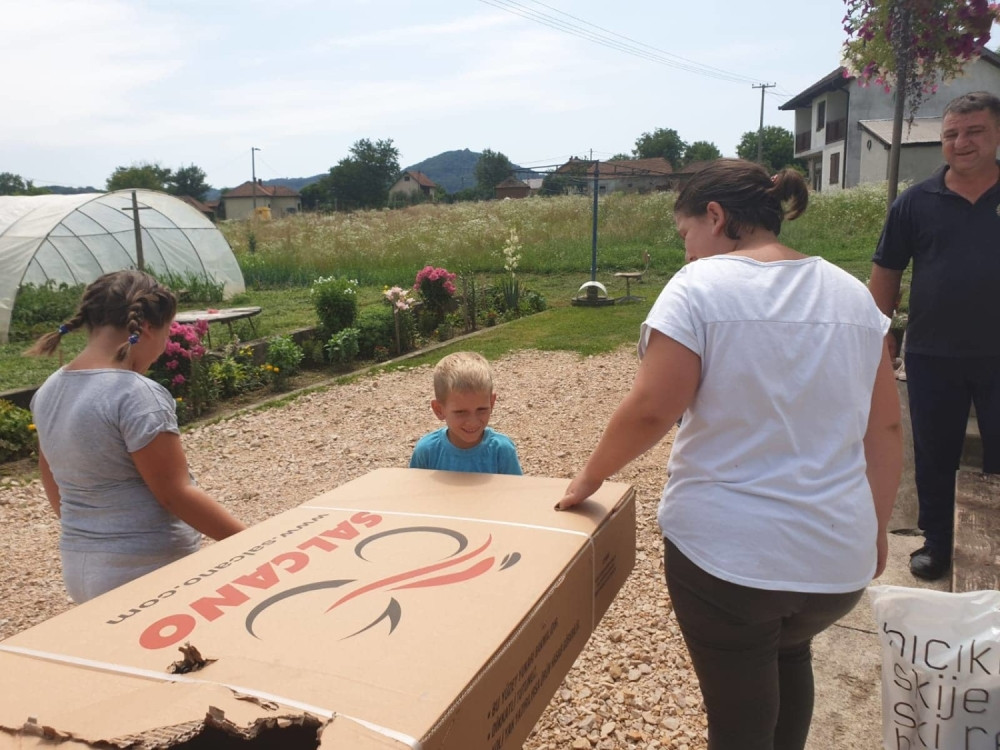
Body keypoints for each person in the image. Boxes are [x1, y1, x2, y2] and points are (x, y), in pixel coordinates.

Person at [556, 159, 902, 750]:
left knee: (738, 721)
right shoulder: (853, 296)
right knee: (791, 657)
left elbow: (651, 409)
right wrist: (875, 527)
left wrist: (585, 478)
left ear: (715, 217)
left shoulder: (698, 287)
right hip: (834, 564)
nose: (686, 252)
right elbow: (887, 429)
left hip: (730, 562)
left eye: (685, 234)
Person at [26, 270, 246, 603]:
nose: (163, 348)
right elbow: (176, 494)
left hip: (81, 569)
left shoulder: (48, 392)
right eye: (167, 332)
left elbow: (57, 487)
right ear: (144, 329)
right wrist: (254, 543)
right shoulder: (135, 394)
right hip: (148, 570)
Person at [869, 90, 1000, 581]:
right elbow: (886, 271)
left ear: (997, 134)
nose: (961, 142)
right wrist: (879, 334)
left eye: (974, 131)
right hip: (933, 353)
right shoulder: (915, 202)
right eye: (951, 134)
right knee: (935, 452)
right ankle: (939, 543)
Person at [409, 351, 522, 475]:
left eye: (481, 409)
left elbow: (515, 493)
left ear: (491, 403)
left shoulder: (502, 450)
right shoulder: (427, 451)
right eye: (460, 412)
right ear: (439, 410)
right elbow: (415, 492)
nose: (472, 422)